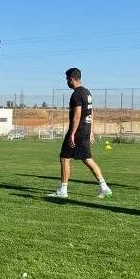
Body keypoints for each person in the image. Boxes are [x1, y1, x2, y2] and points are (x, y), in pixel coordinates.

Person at [47, 67, 112, 199]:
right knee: (87, 159)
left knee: (64, 158)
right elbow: (91, 113)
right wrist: (91, 131)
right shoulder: (87, 93)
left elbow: (77, 115)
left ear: (72, 79)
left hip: (77, 132)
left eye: (67, 79)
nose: (66, 82)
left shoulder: (76, 94)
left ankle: (63, 191)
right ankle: (104, 187)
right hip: (85, 130)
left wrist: (72, 133)